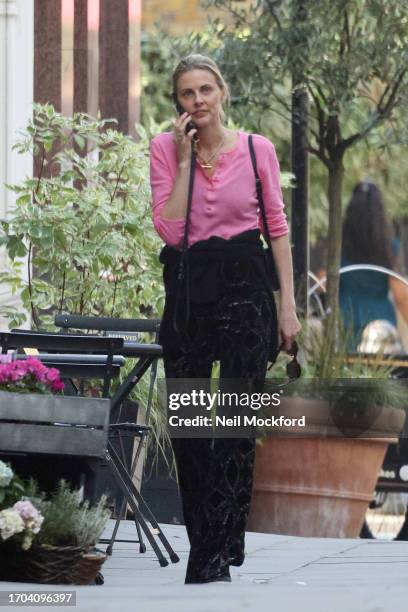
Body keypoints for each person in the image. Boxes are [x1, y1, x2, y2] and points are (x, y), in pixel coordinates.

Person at [150, 54, 300, 584]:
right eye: (188, 93)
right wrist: (188, 163)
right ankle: (211, 542)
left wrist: (288, 305)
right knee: (190, 427)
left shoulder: (258, 149)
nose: (199, 101)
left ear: (223, 92)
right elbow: (169, 231)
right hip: (189, 289)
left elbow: (277, 230)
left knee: (235, 425)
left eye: (206, 89)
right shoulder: (164, 151)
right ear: (178, 104)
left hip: (246, 286)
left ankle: (213, 554)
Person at [339, 181, 408, 352]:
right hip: (381, 329)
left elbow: (322, 282)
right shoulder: (390, 248)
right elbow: (402, 297)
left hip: (345, 324)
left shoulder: (338, 249)